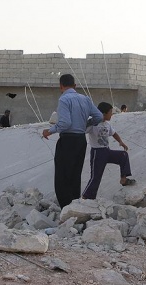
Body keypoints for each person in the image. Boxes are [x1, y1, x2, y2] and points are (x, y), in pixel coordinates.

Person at [42, 74, 103, 209]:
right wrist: (86, 124)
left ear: (61, 86)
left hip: (68, 140)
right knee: (75, 173)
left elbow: (65, 123)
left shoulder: (64, 99)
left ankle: (65, 207)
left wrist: (49, 131)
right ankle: (75, 205)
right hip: (81, 140)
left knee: (63, 175)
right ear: (75, 86)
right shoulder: (85, 99)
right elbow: (99, 116)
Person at [82, 102, 135, 199]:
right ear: (103, 113)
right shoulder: (93, 123)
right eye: (110, 112)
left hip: (107, 151)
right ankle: (86, 197)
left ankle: (123, 179)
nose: (112, 114)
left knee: (123, 155)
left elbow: (114, 133)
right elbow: (81, 129)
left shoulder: (107, 124)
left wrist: (121, 142)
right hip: (97, 154)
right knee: (96, 177)